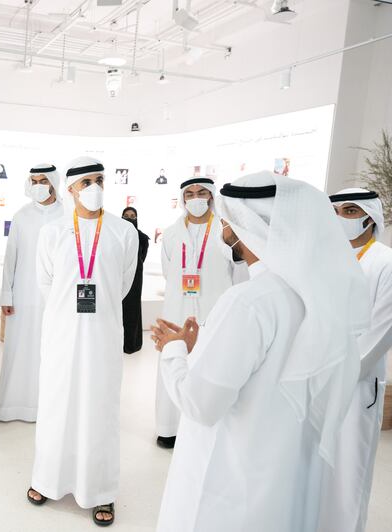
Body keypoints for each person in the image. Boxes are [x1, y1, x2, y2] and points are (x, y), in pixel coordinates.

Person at [151, 171, 369, 532]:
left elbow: (201, 405)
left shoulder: (248, 302)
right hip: (281, 477)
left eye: (226, 217)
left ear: (240, 226)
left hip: (231, 486)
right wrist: (199, 346)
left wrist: (174, 352)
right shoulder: (314, 293)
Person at [27, 157, 138, 527]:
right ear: (71, 188)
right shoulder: (53, 232)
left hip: (103, 336)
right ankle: (47, 479)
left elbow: (121, 285)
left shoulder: (124, 232)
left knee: (99, 410)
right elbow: (46, 283)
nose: (95, 187)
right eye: (87, 181)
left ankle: (100, 491)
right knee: (58, 405)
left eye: (100, 180)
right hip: (61, 334)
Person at [319, 188, 392, 532]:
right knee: (318, 471)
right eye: (335, 211)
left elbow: (380, 331)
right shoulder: (326, 258)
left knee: (349, 475)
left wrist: (340, 372)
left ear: (369, 215)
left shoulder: (385, 262)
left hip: (356, 387)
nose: (341, 219)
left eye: (349, 211)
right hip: (317, 382)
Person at [155, 177, 238, 448]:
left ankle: (206, 425)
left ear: (212, 197)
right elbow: (169, 272)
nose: (196, 198)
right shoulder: (171, 233)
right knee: (174, 359)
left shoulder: (225, 231)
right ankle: (169, 429)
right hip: (178, 307)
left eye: (202, 193)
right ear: (183, 199)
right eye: (190, 194)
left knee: (209, 364)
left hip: (214, 308)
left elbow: (236, 273)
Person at [0, 164, 64, 423]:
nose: (38, 185)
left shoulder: (68, 214)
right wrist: (6, 296)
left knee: (54, 351)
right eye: (34, 181)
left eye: (43, 180)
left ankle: (51, 409)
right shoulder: (21, 216)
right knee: (20, 349)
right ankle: (16, 406)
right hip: (23, 295)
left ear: (54, 182)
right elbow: (11, 258)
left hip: (57, 296)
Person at [121, 207, 150, 354]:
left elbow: (142, 258)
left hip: (136, 277)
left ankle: (132, 344)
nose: (129, 218)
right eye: (126, 216)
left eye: (133, 216)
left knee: (132, 308)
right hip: (118, 275)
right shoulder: (117, 235)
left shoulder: (143, 238)